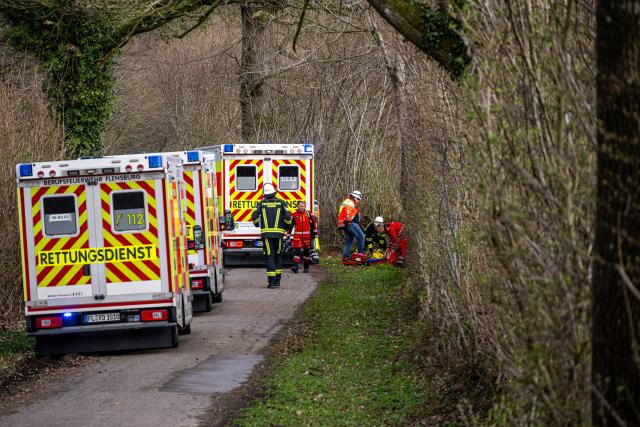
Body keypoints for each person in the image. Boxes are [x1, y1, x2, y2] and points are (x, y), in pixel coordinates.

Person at [251, 183, 292, 288]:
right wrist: (288, 227)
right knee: (278, 255)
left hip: (267, 235)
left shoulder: (262, 203)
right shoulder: (282, 203)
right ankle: (278, 281)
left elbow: (254, 215)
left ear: (265, 194)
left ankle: (272, 282)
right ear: (274, 192)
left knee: (270, 256)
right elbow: (288, 217)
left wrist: (257, 224)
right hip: (279, 235)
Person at [290, 201, 319, 273]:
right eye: (301, 206)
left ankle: (306, 268)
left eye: (303, 206)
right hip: (297, 237)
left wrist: (314, 234)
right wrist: (288, 235)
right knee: (297, 251)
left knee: (306, 253)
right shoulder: (294, 215)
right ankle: (295, 267)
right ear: (297, 207)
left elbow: (313, 224)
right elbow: (290, 226)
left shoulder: (308, 214)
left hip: (307, 237)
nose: (302, 208)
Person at [337, 190, 365, 261]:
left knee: (349, 240)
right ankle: (360, 256)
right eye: (358, 199)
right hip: (350, 223)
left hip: (346, 224)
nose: (358, 201)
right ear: (355, 197)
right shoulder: (349, 203)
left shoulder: (347, 201)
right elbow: (348, 216)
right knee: (361, 237)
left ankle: (345, 257)